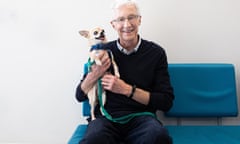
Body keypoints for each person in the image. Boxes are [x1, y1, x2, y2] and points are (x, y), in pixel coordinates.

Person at [76, 0, 174, 143]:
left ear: (139, 20)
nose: (127, 25)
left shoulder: (156, 53)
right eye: (121, 19)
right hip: (106, 118)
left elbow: (166, 102)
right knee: (94, 139)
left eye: (131, 17)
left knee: (158, 136)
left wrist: (126, 89)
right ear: (113, 25)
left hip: (141, 119)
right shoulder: (102, 51)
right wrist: (96, 73)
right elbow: (79, 95)